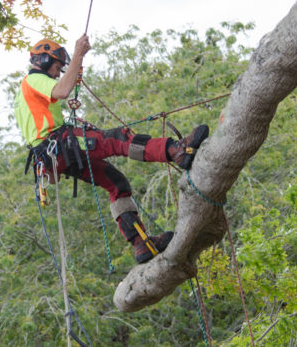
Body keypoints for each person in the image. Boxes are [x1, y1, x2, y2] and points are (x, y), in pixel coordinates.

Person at [15, 34, 209, 264]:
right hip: (60, 145)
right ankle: (176, 150)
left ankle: (141, 244)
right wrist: (78, 53)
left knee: (116, 182)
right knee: (118, 139)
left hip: (54, 156)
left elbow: (49, 108)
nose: (58, 72)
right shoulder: (33, 79)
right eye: (57, 67)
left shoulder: (26, 93)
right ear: (45, 61)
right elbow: (62, 90)